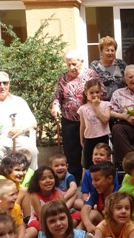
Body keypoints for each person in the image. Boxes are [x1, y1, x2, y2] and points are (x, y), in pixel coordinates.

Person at [0, 71, 38, 176]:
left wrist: (22, 129)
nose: (2, 86)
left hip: (18, 138)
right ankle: (0, 182)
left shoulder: (19, 101)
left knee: (31, 149)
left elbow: (33, 123)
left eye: (5, 83)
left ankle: (30, 181)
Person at [50, 50, 95, 183]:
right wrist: (55, 106)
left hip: (89, 118)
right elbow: (57, 97)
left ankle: (92, 179)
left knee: (89, 148)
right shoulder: (63, 78)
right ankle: (74, 179)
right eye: (68, 64)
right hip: (69, 118)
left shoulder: (91, 75)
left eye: (74, 64)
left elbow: (100, 92)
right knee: (71, 150)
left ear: (82, 62)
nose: (71, 67)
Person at [77, 78, 112, 170]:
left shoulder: (106, 105)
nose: (95, 95)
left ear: (101, 92)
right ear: (86, 93)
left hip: (102, 137)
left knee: (104, 164)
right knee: (87, 164)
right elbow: (82, 126)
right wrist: (82, 140)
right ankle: (86, 179)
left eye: (97, 92)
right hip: (89, 138)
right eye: (91, 93)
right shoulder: (83, 109)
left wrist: (97, 106)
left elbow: (105, 119)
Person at [80, 161, 117, 234]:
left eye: (96, 179)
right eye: (92, 180)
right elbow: (85, 208)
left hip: (117, 226)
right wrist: (88, 224)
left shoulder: (120, 193)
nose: (93, 183)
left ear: (110, 179)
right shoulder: (96, 192)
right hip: (103, 224)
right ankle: (77, 235)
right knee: (93, 213)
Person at [90, 36, 128, 101]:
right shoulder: (95, 65)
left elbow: (128, 81)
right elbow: (92, 85)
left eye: (112, 50)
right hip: (102, 102)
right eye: (107, 50)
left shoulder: (121, 64)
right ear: (101, 51)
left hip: (121, 100)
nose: (110, 53)